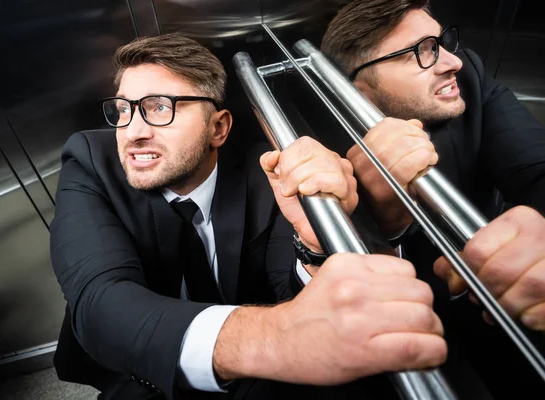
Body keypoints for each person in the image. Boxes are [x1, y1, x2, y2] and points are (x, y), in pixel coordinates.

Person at [49, 33, 446, 400]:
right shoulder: (90, 160)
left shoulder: (265, 170)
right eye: (123, 109)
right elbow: (101, 302)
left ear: (218, 128)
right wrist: (277, 338)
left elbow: (289, 292)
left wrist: (312, 244)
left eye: (158, 108)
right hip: (137, 366)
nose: (132, 132)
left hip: (251, 370)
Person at [320, 0, 545, 395]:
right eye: (420, 52)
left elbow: (537, 170)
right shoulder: (326, 150)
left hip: (500, 301)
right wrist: (383, 223)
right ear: (360, 88)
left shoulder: (469, 78)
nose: (450, 61)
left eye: (441, 42)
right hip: (405, 331)